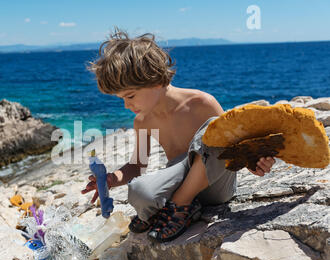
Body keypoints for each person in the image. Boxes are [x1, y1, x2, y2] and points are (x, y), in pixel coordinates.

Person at [81, 28, 275, 243]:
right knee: (138, 190)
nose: (127, 105)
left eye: (130, 96)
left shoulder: (201, 103)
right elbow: (137, 166)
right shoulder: (143, 121)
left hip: (216, 186)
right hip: (179, 178)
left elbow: (234, 146)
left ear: (154, 80)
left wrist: (255, 162)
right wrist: (111, 179)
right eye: (121, 99)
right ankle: (184, 207)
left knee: (215, 128)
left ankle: (180, 205)